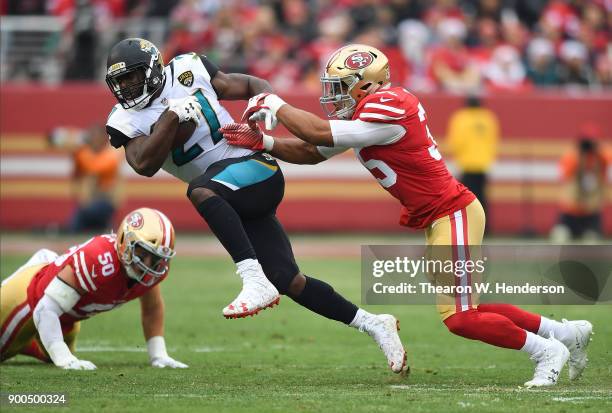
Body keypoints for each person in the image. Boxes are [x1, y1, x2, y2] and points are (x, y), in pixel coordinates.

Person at [221, 44, 593, 387]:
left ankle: (547, 351)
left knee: (461, 317)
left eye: (340, 86)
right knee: (466, 308)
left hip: (453, 211)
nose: (332, 95)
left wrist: (275, 102)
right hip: (441, 216)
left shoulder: (391, 104)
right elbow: (311, 149)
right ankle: (564, 334)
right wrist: (266, 142)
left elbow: (317, 131)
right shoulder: (367, 118)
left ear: (367, 84)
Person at [104, 38, 407, 373]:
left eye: (131, 77)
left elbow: (250, 84)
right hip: (231, 194)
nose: (126, 87)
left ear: (152, 71)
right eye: (119, 81)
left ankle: (252, 278)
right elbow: (143, 164)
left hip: (256, 170)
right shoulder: (123, 119)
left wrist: (264, 103)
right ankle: (374, 323)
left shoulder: (189, 68)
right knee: (289, 280)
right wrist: (171, 116)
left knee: (201, 191)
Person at [0, 208, 186, 370]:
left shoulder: (152, 273)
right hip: (29, 296)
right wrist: (64, 359)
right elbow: (45, 309)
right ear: (124, 240)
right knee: (57, 353)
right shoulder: (98, 260)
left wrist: (158, 355)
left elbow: (152, 308)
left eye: (154, 258)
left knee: (52, 352)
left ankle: (22, 343)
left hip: (66, 315)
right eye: (142, 252)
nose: (147, 264)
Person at [49, 124, 121, 233]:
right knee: (75, 226)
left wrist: (79, 150)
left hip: (105, 201)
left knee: (86, 214)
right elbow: (77, 175)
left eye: (95, 136)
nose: (93, 140)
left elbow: (95, 167)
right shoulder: (86, 154)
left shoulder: (111, 154)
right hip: (89, 202)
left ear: (103, 139)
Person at [551, 122, 610, 242]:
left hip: (591, 212)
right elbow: (563, 174)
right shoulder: (573, 157)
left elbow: (609, 157)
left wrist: (598, 150)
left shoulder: (601, 157)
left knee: (592, 241)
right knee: (560, 236)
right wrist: (579, 157)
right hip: (571, 211)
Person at [446, 95, 499, 216]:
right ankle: (485, 227)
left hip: (466, 163)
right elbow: (493, 139)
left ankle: (469, 224)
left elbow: (457, 141)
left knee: (466, 198)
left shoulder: (461, 118)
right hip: (483, 163)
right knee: (481, 196)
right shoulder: (488, 118)